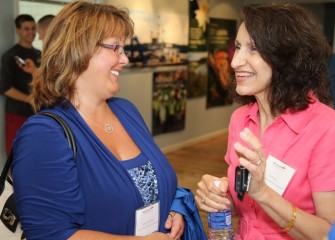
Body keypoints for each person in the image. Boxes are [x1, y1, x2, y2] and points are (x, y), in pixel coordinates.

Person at [11, 1, 206, 240]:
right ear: (78, 50)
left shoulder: (126, 111)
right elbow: (52, 234)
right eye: (116, 47)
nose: (125, 60)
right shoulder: (44, 135)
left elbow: (153, 181)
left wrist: (173, 208)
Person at [196, 3, 335, 239]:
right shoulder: (240, 119)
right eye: (238, 47)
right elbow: (245, 205)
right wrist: (220, 196)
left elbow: (328, 233)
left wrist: (263, 194)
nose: (235, 61)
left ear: (287, 58)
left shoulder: (325, 127)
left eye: (253, 49)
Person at [0, 14, 41, 155]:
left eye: (33, 28)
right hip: (16, 113)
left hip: (38, 113)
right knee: (16, 153)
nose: (31, 32)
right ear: (18, 31)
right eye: (26, 29)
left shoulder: (40, 54)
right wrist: (29, 99)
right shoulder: (10, 56)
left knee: (35, 153)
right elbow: (5, 88)